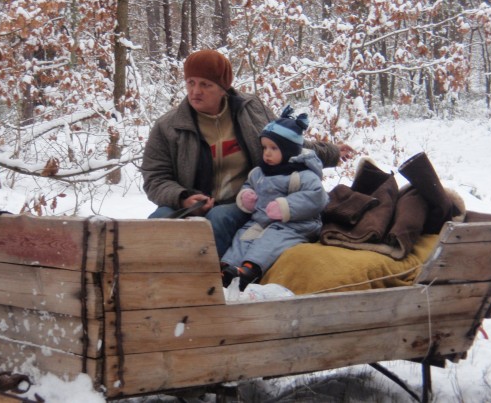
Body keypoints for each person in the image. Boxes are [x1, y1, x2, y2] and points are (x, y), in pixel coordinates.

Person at [141, 49, 354, 257]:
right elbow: (155, 178)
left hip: (245, 200)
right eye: (191, 83)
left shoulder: (251, 110)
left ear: (223, 88)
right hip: (191, 203)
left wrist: (331, 152)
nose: (196, 91)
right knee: (159, 220)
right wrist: (183, 198)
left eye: (205, 84)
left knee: (218, 218)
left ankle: (215, 282)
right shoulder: (167, 126)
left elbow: (285, 143)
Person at [220, 107, 329, 290]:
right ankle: (227, 265)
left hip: (294, 224)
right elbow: (249, 184)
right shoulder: (260, 172)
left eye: (274, 148)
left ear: (288, 151)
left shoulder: (301, 175)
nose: (267, 153)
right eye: (264, 148)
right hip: (262, 220)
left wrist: (286, 206)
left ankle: (250, 269)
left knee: (270, 240)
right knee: (243, 235)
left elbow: (317, 197)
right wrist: (247, 196)